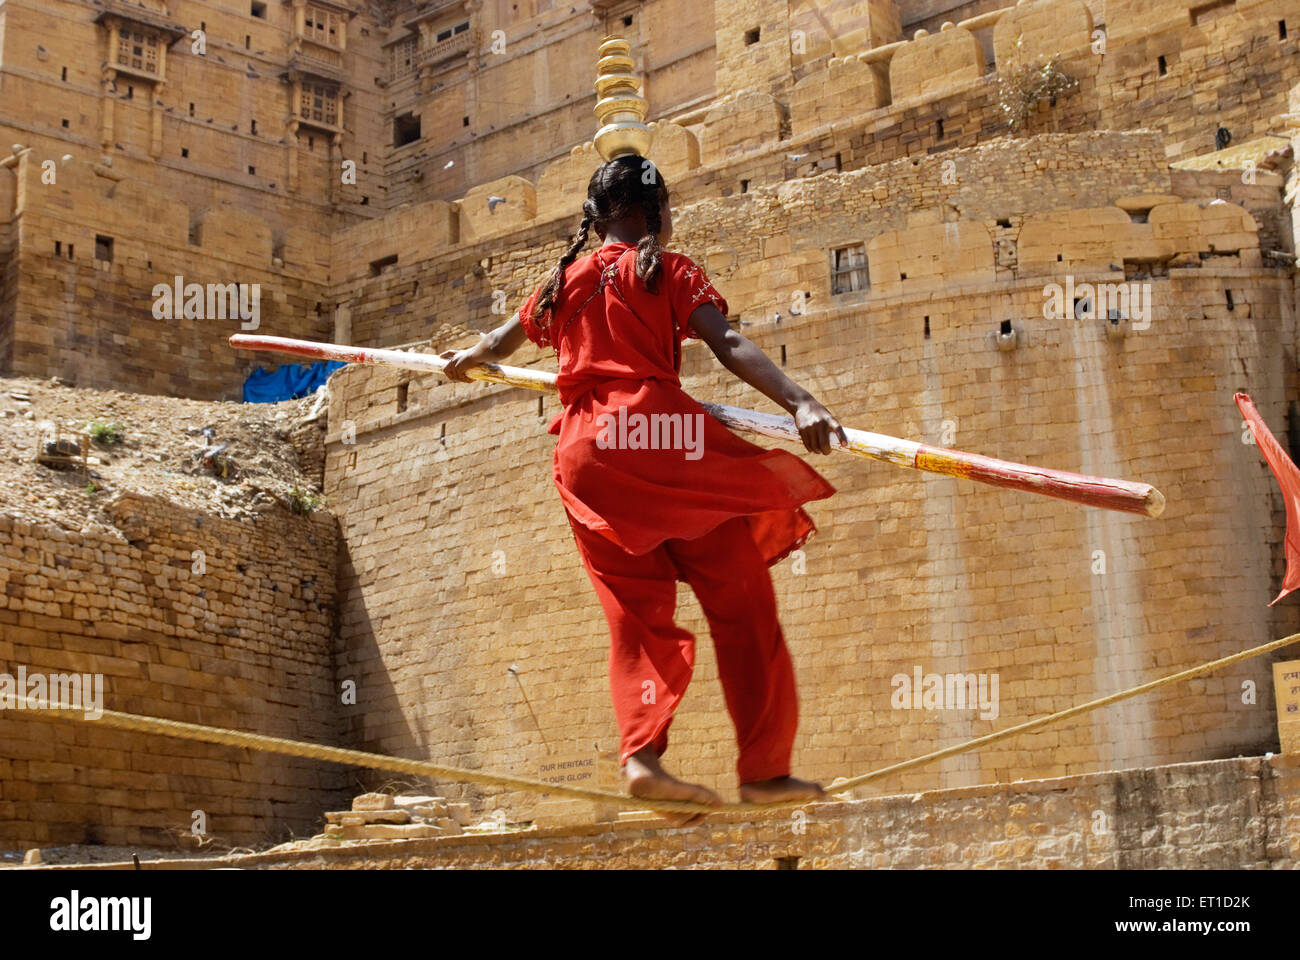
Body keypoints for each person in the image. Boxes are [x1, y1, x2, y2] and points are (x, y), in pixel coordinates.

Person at [442, 154, 846, 822]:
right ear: (653, 212)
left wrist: (469, 360)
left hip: (583, 457)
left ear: (595, 217)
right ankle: (766, 771)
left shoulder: (561, 282)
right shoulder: (667, 270)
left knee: (635, 615)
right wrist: (799, 400)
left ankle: (642, 759)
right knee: (743, 604)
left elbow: (500, 341)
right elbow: (730, 343)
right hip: (657, 442)